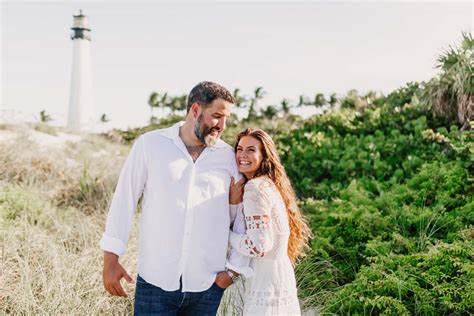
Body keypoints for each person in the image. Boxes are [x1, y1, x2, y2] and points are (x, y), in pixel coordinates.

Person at [100, 81, 251, 315]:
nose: (222, 125)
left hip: (207, 285)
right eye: (217, 116)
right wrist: (111, 260)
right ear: (195, 110)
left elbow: (239, 218)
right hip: (155, 281)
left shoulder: (229, 157)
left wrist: (232, 272)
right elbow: (123, 202)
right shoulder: (150, 145)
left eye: (226, 118)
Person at [229, 128, 312, 315]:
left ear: (264, 155)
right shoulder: (269, 184)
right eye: (239, 149)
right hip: (280, 275)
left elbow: (258, 247)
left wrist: (227, 235)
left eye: (251, 150)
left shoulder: (255, 189)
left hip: (265, 282)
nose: (242, 155)